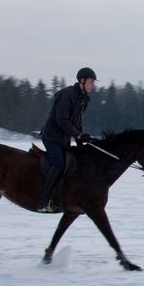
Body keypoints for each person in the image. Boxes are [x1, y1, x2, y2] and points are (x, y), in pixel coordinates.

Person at [38, 67, 98, 212]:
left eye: (94, 82)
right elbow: (62, 120)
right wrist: (77, 135)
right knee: (58, 164)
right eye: (91, 81)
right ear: (82, 81)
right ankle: (43, 201)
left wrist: (81, 139)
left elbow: (77, 122)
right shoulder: (68, 95)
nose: (93, 85)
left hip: (63, 139)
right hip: (51, 137)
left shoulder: (83, 99)